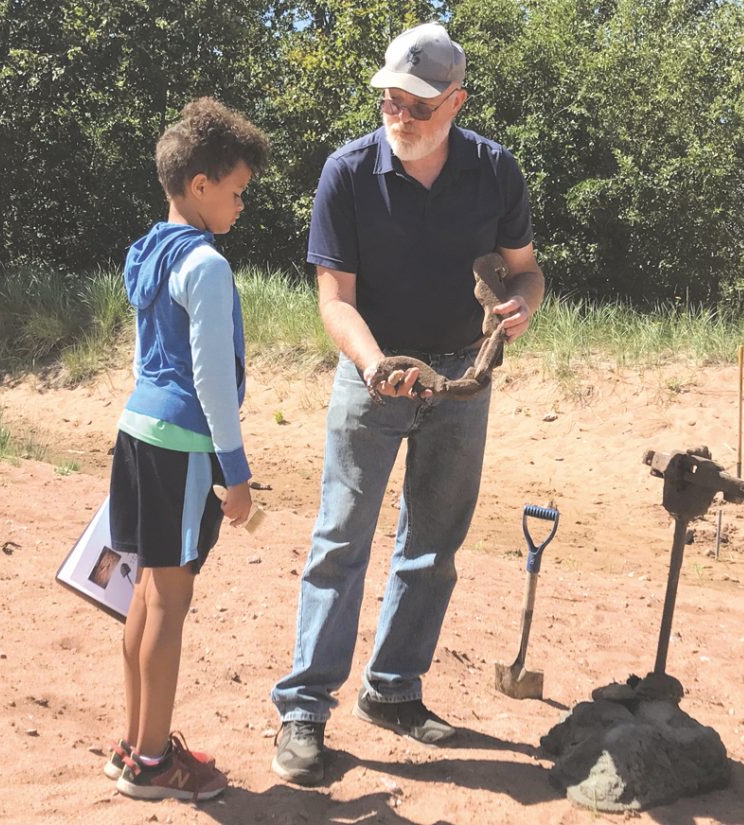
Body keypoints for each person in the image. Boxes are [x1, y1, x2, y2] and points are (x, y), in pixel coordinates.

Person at [270, 22, 545, 786]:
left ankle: (392, 691)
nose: (400, 114)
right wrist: (372, 364)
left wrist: (522, 308)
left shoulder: (495, 171)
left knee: (433, 546)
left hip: (463, 380)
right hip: (373, 376)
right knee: (340, 540)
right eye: (390, 98)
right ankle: (303, 709)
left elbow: (527, 273)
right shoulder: (347, 173)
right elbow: (334, 300)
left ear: (456, 101)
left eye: (419, 104)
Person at [104, 97, 268, 801]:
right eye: (235, 192)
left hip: (136, 433)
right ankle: (149, 763)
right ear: (199, 185)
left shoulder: (148, 249)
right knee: (170, 601)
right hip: (180, 446)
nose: (239, 206)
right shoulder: (205, 265)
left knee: (146, 591)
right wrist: (236, 475)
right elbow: (211, 381)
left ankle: (137, 741)